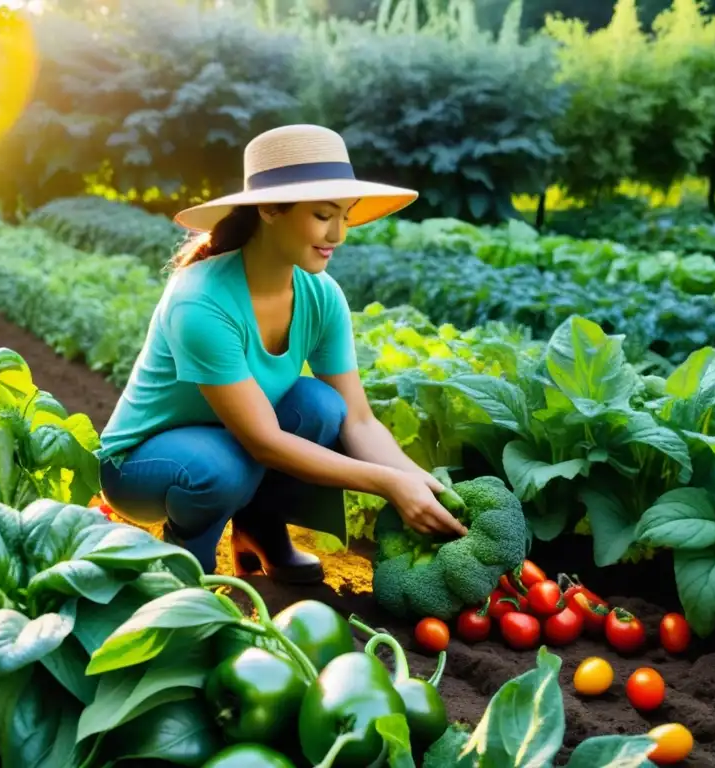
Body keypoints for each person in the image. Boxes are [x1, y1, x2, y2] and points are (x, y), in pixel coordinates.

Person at [96, 124, 467, 583]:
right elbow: (263, 443)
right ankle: (182, 565)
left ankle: (259, 532)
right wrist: (387, 483)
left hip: (234, 440)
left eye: (345, 216)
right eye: (323, 215)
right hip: (141, 464)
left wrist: (423, 483)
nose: (339, 234)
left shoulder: (321, 296)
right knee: (219, 468)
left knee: (320, 406)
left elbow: (358, 420)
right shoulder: (202, 300)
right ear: (270, 209)